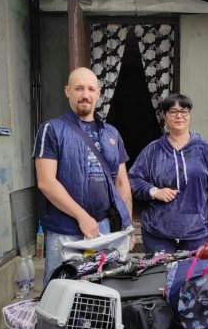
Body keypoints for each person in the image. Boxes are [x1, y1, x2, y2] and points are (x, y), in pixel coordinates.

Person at [33, 67, 134, 288]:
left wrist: (127, 227)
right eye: (79, 88)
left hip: (103, 230)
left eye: (90, 89)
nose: (85, 95)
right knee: (59, 292)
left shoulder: (112, 133)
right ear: (67, 91)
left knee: (99, 292)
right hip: (64, 232)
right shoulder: (51, 129)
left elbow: (121, 182)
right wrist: (82, 217)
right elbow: (46, 182)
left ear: (98, 94)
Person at [129, 93, 208, 254]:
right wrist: (154, 191)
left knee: (192, 271)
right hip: (157, 232)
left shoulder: (205, 149)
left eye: (184, 111)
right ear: (165, 116)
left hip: (197, 232)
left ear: (189, 114)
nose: (179, 116)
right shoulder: (153, 150)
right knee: (160, 271)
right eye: (173, 111)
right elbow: (132, 179)